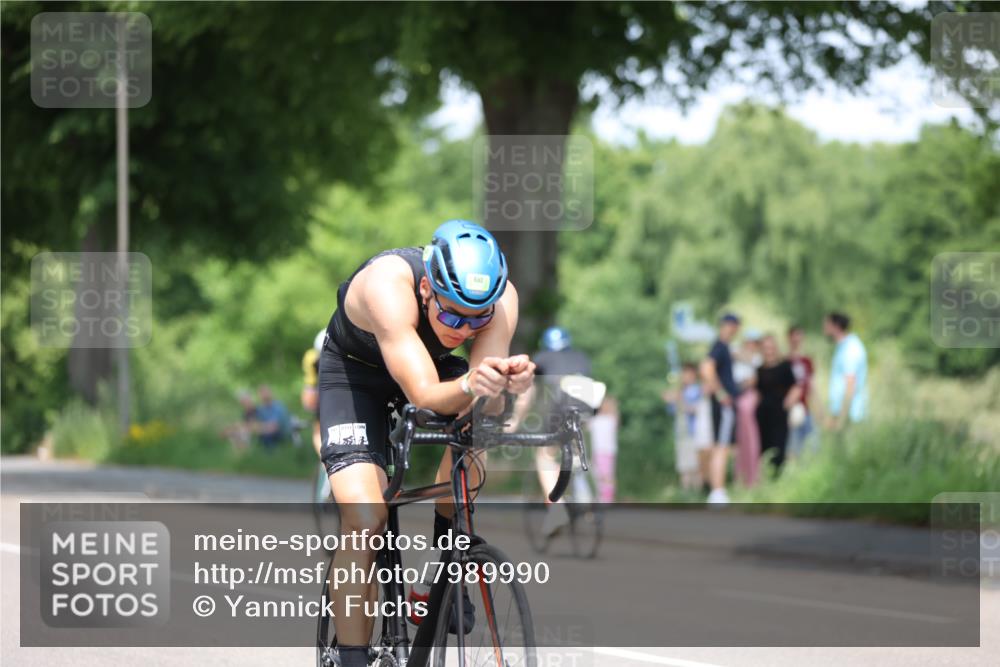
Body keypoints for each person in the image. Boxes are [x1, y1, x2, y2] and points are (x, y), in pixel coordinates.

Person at [318, 220, 533, 667]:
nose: (462, 328)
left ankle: (444, 562)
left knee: (484, 414)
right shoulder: (386, 286)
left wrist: (505, 383)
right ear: (426, 290)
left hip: (433, 368)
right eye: (451, 314)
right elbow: (426, 394)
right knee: (365, 517)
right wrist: (476, 383)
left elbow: (475, 392)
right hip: (357, 376)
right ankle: (352, 657)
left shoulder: (500, 299)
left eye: (478, 319)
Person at [510, 325, 593, 536]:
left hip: (562, 407)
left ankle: (557, 509)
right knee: (574, 449)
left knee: (545, 456)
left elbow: (527, 395)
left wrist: (514, 421)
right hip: (586, 407)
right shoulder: (581, 357)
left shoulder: (542, 357)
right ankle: (584, 495)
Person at [699, 313, 742, 505]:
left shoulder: (724, 347)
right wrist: (721, 393)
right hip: (723, 405)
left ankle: (716, 489)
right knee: (722, 447)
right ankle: (717, 491)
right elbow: (706, 368)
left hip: (722, 404)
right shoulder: (720, 346)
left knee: (722, 445)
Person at [755, 334, 802, 474]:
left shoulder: (785, 366)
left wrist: (789, 400)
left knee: (779, 446)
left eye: (771, 347)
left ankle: (778, 476)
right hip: (763, 414)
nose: (768, 350)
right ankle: (766, 475)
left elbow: (796, 387)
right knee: (765, 446)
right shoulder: (759, 369)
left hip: (779, 412)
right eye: (765, 348)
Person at [664, 363, 711, 491]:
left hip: (694, 433)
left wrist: (680, 400)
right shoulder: (679, 391)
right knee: (684, 466)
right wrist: (671, 400)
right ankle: (685, 493)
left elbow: (695, 409)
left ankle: (697, 494)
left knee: (696, 466)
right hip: (681, 433)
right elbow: (671, 411)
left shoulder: (697, 390)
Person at [823, 312, 869, 430]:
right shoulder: (842, 347)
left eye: (827, 324)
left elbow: (850, 384)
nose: (824, 327)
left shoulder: (851, 349)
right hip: (841, 412)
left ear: (836, 326)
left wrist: (841, 420)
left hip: (850, 415)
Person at [732, 333, 762, 488]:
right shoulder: (737, 353)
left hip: (746, 397)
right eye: (748, 342)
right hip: (735, 398)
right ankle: (739, 477)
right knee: (738, 441)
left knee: (750, 438)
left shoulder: (758, 359)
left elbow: (752, 378)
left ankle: (752, 478)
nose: (751, 346)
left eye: (754, 343)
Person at [786, 324, 815, 458]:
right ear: (789, 337)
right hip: (790, 410)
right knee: (792, 448)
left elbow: (812, 387)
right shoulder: (784, 361)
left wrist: (820, 411)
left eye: (800, 336)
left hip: (805, 408)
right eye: (794, 336)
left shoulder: (807, 361)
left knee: (812, 447)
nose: (797, 339)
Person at [589, 395, 619, 503]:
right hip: (601, 451)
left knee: (605, 475)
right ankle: (604, 496)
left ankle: (606, 498)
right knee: (601, 474)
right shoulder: (600, 420)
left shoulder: (608, 419)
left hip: (604, 451)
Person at [301, 329, 326, 458]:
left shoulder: (312, 358)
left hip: (323, 400)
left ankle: (325, 459)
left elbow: (310, 386)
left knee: (317, 433)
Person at [254, 384, 290, 449]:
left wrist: (262, 427)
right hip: (267, 431)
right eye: (261, 393)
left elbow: (275, 426)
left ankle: (274, 453)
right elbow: (257, 425)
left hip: (281, 432)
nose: (264, 395)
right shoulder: (261, 409)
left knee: (267, 437)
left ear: (270, 393)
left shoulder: (278, 406)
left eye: (265, 393)